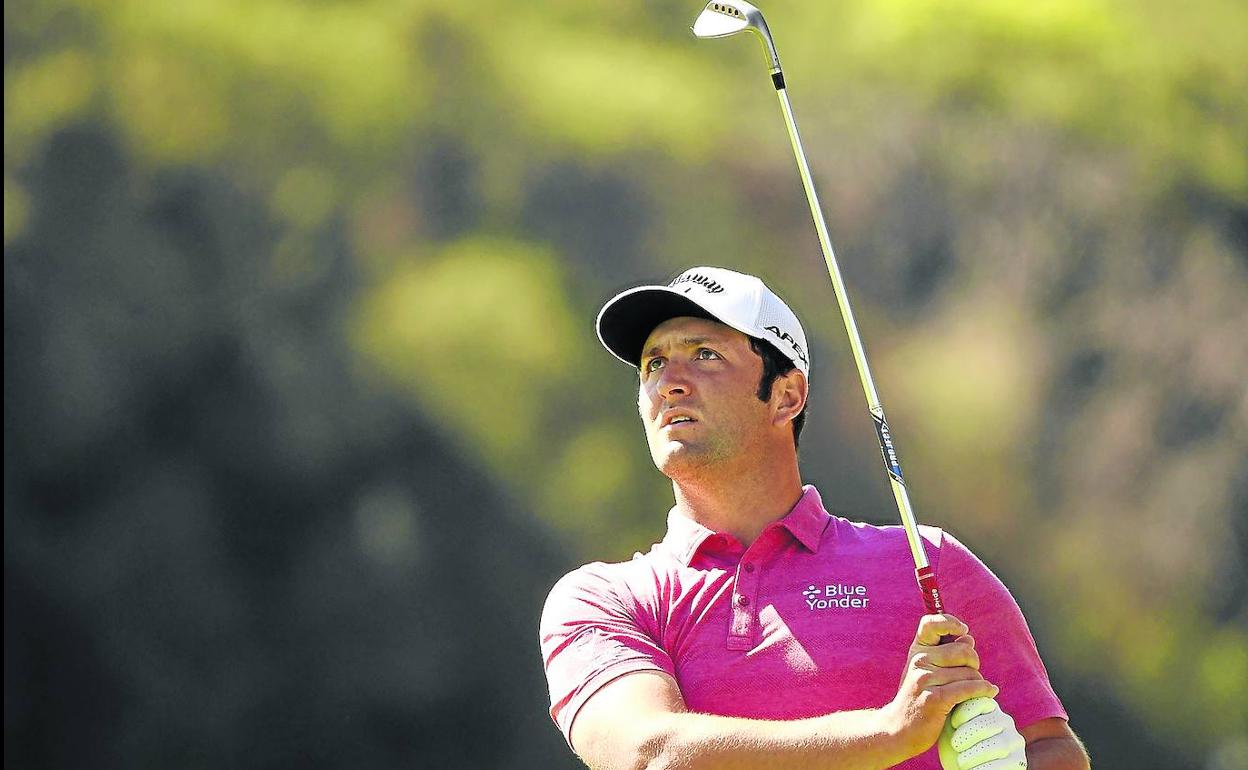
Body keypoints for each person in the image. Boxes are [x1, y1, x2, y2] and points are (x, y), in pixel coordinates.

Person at [539, 266, 1090, 769]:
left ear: (786, 396)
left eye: (704, 354)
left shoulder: (928, 563)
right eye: (654, 363)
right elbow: (649, 754)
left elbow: (1051, 746)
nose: (669, 382)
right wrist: (889, 733)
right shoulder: (604, 598)